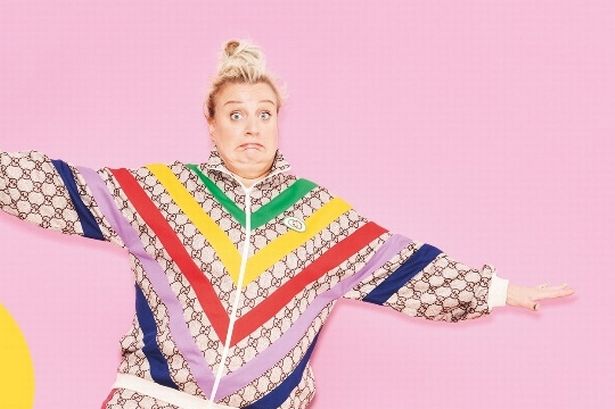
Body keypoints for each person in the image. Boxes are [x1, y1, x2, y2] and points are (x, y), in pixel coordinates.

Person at [0, 38, 575, 409]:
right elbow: (64, 188)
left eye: (264, 114)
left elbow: (404, 268)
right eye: (236, 114)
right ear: (212, 125)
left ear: (278, 123)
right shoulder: (162, 195)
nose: (251, 127)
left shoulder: (320, 220)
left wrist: (500, 290)